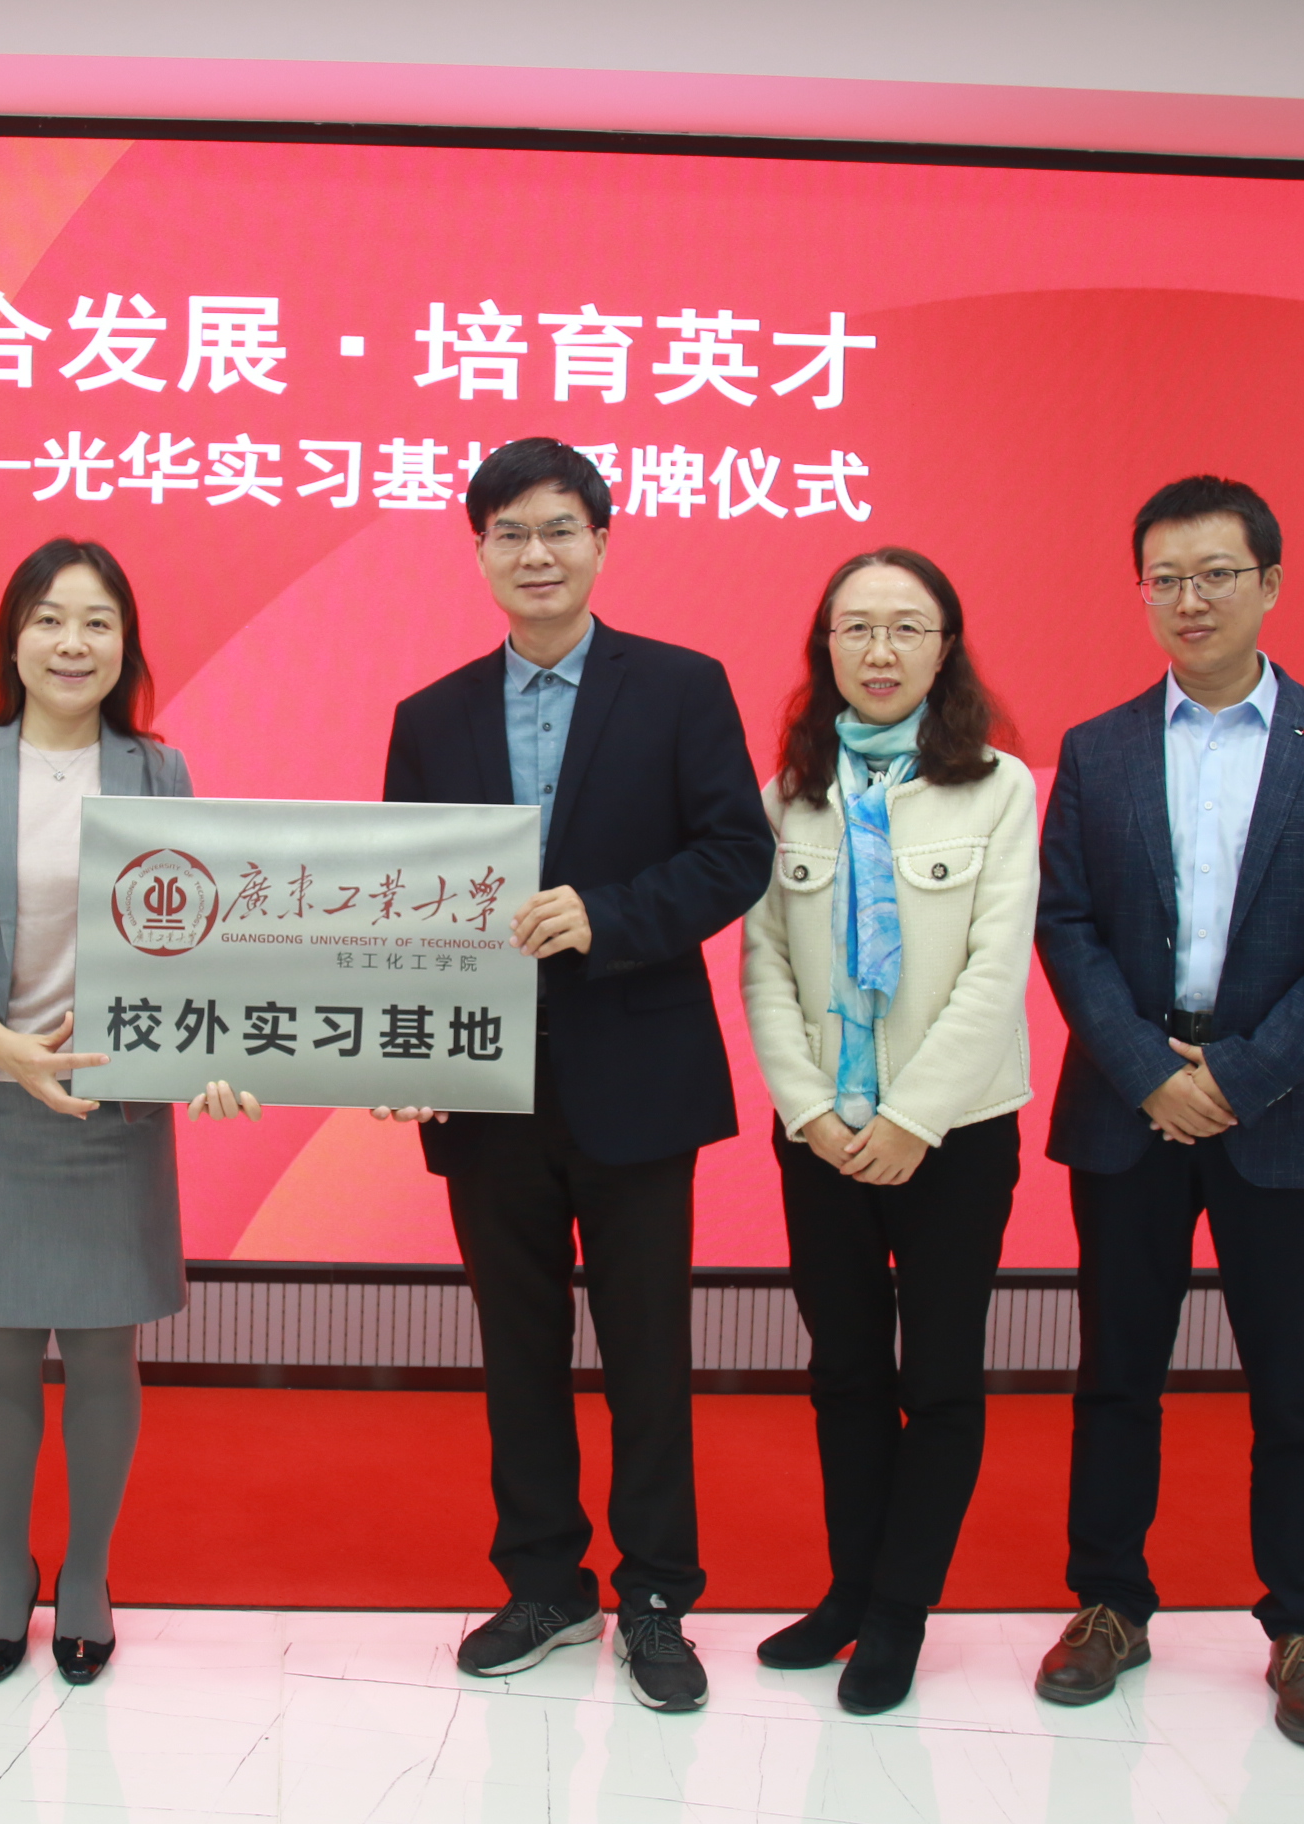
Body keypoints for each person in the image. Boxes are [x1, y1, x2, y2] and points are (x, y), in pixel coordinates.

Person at [376, 438, 774, 1714]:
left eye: (558, 529)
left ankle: (657, 1594)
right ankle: (545, 1582)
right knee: (519, 1350)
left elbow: (735, 855)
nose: (535, 554)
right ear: (479, 552)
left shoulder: (681, 688)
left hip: (637, 1075)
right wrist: (394, 1043)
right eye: (509, 533)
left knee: (649, 1351)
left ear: (602, 541)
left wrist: (607, 916)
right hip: (486, 1088)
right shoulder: (430, 717)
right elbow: (396, 902)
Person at [1033, 476, 1304, 1750]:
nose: (1188, 599)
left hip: (1284, 1113)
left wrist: (1238, 1078)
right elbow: (1067, 925)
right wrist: (1151, 1070)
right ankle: (1108, 1604)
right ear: (1141, 591)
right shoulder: (1097, 748)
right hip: (1129, 1107)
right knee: (1115, 1375)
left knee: (1295, 1384)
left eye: (1215, 574)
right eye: (1165, 578)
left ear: (1270, 584)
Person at [0, 537, 257, 1688]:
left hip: (113, 1115)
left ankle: (87, 1576)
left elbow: (200, 937)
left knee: (104, 1354)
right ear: (12, 639)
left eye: (97, 622)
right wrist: (2, 1048)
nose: (72, 643)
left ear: (125, 645)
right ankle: (7, 1575)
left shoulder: (159, 771)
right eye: (49, 619)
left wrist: (215, 1056)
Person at [739, 547, 1037, 1714]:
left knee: (941, 1377)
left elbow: (996, 973)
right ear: (825, 647)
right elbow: (765, 964)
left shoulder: (999, 788)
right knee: (847, 1373)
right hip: (823, 1137)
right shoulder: (790, 793)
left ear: (944, 647)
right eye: (856, 627)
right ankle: (850, 1594)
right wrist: (809, 1110)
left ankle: (903, 1614)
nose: (879, 650)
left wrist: (914, 1117)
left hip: (955, 1134)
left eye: (906, 628)